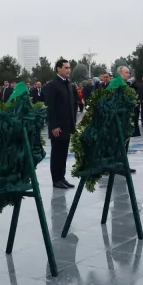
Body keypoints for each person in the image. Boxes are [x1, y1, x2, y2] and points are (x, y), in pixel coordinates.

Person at [44, 59, 77, 189]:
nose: (68, 70)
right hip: (57, 127)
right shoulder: (52, 85)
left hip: (67, 125)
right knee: (57, 153)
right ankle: (56, 179)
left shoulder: (68, 84)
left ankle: (62, 177)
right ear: (58, 69)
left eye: (69, 68)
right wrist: (54, 126)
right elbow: (50, 107)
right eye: (66, 68)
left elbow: (72, 105)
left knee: (64, 153)